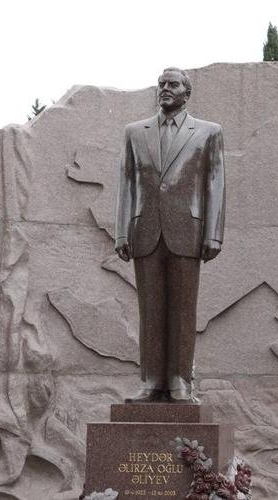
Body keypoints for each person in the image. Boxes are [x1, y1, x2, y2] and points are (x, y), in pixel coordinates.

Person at [114, 67, 225, 404]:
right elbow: (127, 183)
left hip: (187, 232)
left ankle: (179, 381)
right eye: (161, 84)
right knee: (150, 310)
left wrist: (213, 234)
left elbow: (215, 183)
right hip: (144, 231)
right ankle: (150, 381)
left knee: (183, 311)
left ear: (186, 93)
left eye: (172, 84)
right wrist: (121, 232)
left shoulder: (208, 132)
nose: (164, 88)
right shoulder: (135, 132)